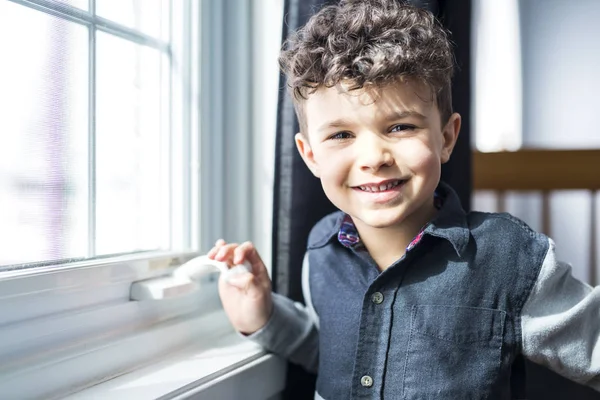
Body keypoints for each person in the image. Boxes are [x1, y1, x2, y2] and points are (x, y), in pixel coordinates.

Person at [207, 0, 600, 398]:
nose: (375, 158)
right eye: (341, 135)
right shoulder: (321, 250)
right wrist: (264, 317)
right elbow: (338, 352)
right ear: (310, 155)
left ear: (445, 137)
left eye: (399, 127)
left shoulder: (510, 257)